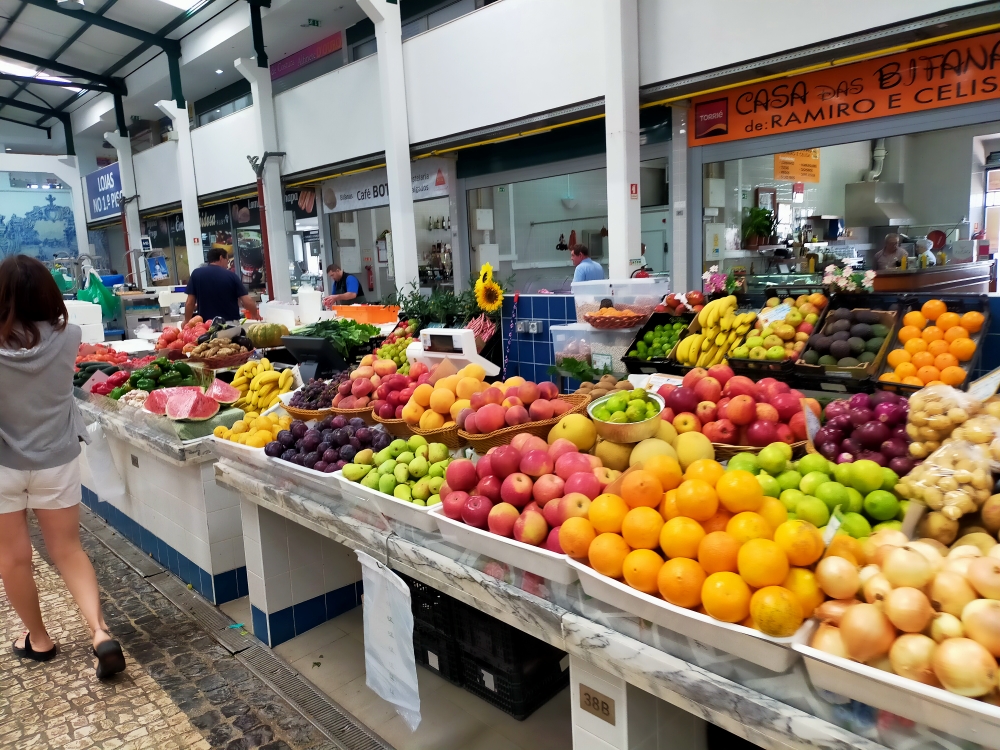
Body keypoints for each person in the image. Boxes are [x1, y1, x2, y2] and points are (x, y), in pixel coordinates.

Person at [0, 255, 126, 679]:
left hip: (2, 467)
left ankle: (38, 640)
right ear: (49, 293)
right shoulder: (69, 336)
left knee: (13, 558)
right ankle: (99, 632)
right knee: (68, 550)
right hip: (56, 458)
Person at [184, 247, 258, 324]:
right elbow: (247, 300)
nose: (227, 263)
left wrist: (186, 321)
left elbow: (190, 302)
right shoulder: (231, 276)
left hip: (206, 325)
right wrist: (255, 314)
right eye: (227, 260)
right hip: (229, 325)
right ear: (221, 258)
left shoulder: (196, 274)